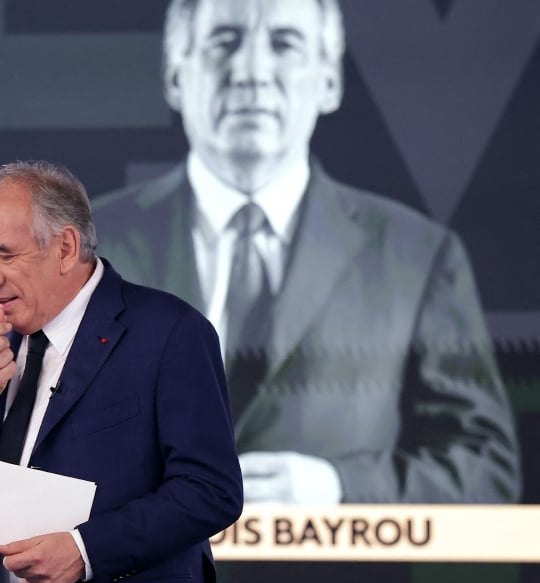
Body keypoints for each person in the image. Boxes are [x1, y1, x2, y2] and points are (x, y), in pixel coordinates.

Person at [92, 0, 521, 504]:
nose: (251, 72)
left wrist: (340, 489)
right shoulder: (85, 245)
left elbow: (485, 469)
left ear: (329, 81)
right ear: (175, 76)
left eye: (284, 43)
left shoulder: (419, 257)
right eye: (224, 41)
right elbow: (18, 442)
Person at [0, 160, 244, 583]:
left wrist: (84, 550)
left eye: (4, 254)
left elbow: (210, 490)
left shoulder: (171, 333)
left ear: (66, 247)